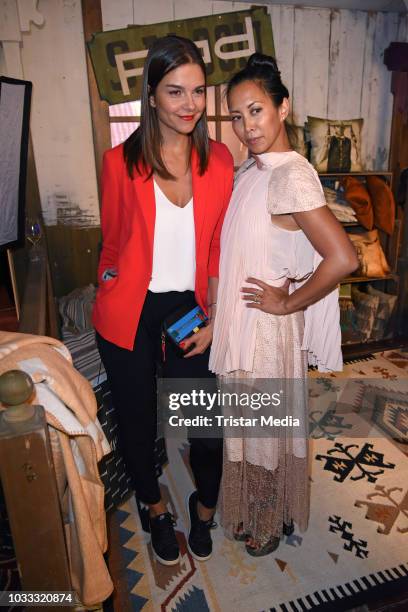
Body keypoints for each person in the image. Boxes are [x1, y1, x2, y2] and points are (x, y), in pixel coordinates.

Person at [209, 53, 358, 556]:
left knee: (265, 431)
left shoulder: (290, 175)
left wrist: (289, 301)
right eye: (236, 115)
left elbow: (342, 257)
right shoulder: (250, 171)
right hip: (243, 323)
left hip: (268, 330)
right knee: (249, 428)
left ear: (283, 108)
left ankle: (269, 517)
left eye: (255, 111)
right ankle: (253, 506)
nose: (246, 126)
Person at [93, 35, 234, 566]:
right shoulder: (118, 162)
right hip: (130, 310)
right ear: (151, 95)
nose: (189, 105)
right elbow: (112, 240)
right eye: (175, 91)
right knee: (137, 422)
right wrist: (109, 283)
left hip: (186, 310)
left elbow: (219, 243)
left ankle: (203, 507)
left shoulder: (219, 160)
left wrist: (216, 317)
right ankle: (154, 509)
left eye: (198, 92)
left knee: (206, 428)